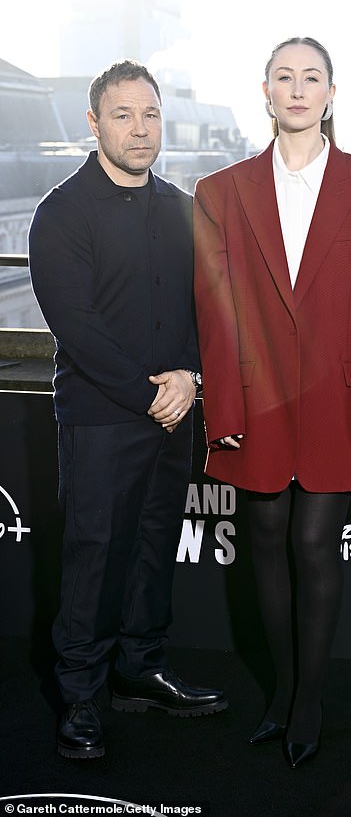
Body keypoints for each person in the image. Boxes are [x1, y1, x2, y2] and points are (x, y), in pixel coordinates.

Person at [193, 37, 351, 768]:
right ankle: (282, 691)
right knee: (263, 542)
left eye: (310, 77)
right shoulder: (219, 193)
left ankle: (310, 696)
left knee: (315, 542)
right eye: (284, 76)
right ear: (264, 90)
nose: (297, 89)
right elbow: (213, 314)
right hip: (253, 396)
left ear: (331, 92)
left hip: (338, 398)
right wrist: (222, 414)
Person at [28, 60, 227, 760]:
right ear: (94, 123)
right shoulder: (61, 213)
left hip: (173, 413)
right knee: (93, 556)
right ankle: (79, 696)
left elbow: (208, 307)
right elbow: (76, 329)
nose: (140, 129)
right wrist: (154, 392)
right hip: (101, 418)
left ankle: (141, 670)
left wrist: (191, 376)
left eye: (149, 115)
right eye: (123, 115)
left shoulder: (182, 206)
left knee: (151, 546)